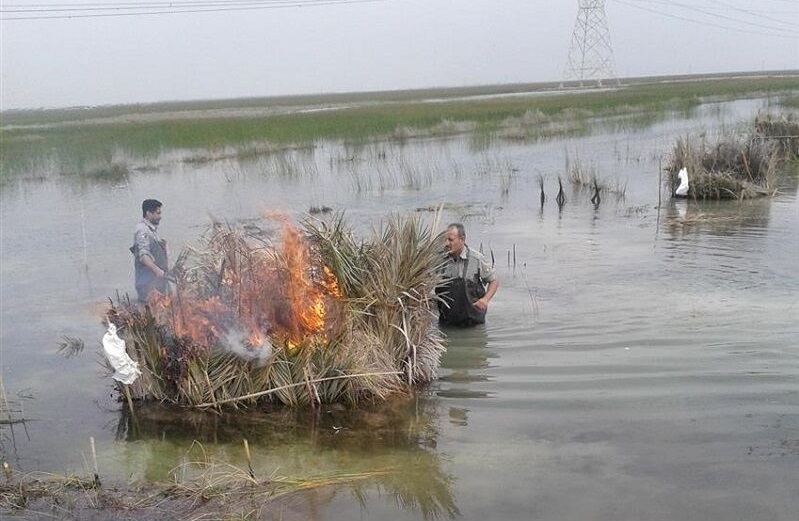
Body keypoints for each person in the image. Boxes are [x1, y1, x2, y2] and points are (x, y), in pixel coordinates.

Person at [436, 223, 499, 327]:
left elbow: (494, 281)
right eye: (445, 240)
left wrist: (485, 300)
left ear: (462, 239)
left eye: (450, 240)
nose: (446, 243)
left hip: (473, 321)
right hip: (447, 321)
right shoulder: (437, 260)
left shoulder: (476, 259)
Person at [131, 199, 169, 302]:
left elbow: (153, 250)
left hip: (157, 282)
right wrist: (157, 270)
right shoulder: (142, 231)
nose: (160, 216)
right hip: (147, 284)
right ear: (148, 213)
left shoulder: (151, 229)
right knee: (150, 308)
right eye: (158, 213)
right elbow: (143, 256)